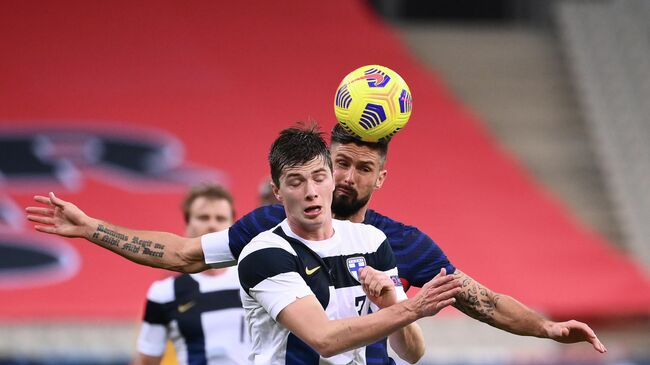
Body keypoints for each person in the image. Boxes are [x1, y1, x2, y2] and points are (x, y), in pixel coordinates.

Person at [26, 124, 606, 362]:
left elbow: (479, 300)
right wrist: (94, 228)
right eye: (341, 164)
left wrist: (546, 328)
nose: (348, 178)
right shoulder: (263, 235)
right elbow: (180, 252)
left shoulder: (394, 242)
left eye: (360, 169)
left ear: (380, 179)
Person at [238, 124, 461, 364]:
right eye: (296, 182)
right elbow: (324, 339)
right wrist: (413, 308)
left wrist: (390, 304)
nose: (311, 192)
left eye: (319, 178)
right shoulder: (264, 254)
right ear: (277, 191)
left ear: (332, 179)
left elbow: (413, 352)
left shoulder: (371, 241)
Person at [134, 184, 250, 365]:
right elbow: (147, 361)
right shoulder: (165, 292)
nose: (212, 225)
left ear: (232, 226)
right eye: (203, 217)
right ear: (187, 226)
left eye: (220, 218)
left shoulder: (256, 279)